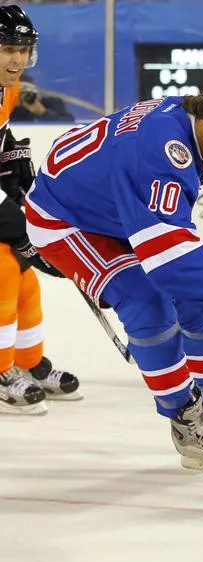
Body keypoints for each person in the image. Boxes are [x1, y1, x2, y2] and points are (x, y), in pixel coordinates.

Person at [26, 77, 203, 471]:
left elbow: (178, 257)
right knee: (147, 303)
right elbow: (170, 257)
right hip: (67, 219)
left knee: (197, 297)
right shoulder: (165, 152)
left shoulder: (186, 121)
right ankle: (186, 422)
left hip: (112, 210)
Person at [0, 4, 80, 416]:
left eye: (23, 49)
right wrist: (19, 225)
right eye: (6, 48)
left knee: (25, 282)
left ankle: (28, 363)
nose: (17, 59)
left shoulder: (8, 89)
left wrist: (13, 161)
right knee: (3, 272)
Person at [11, 75, 75, 122]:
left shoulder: (50, 103)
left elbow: (68, 124)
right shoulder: (4, 107)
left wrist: (43, 113)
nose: (25, 98)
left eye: (29, 93)